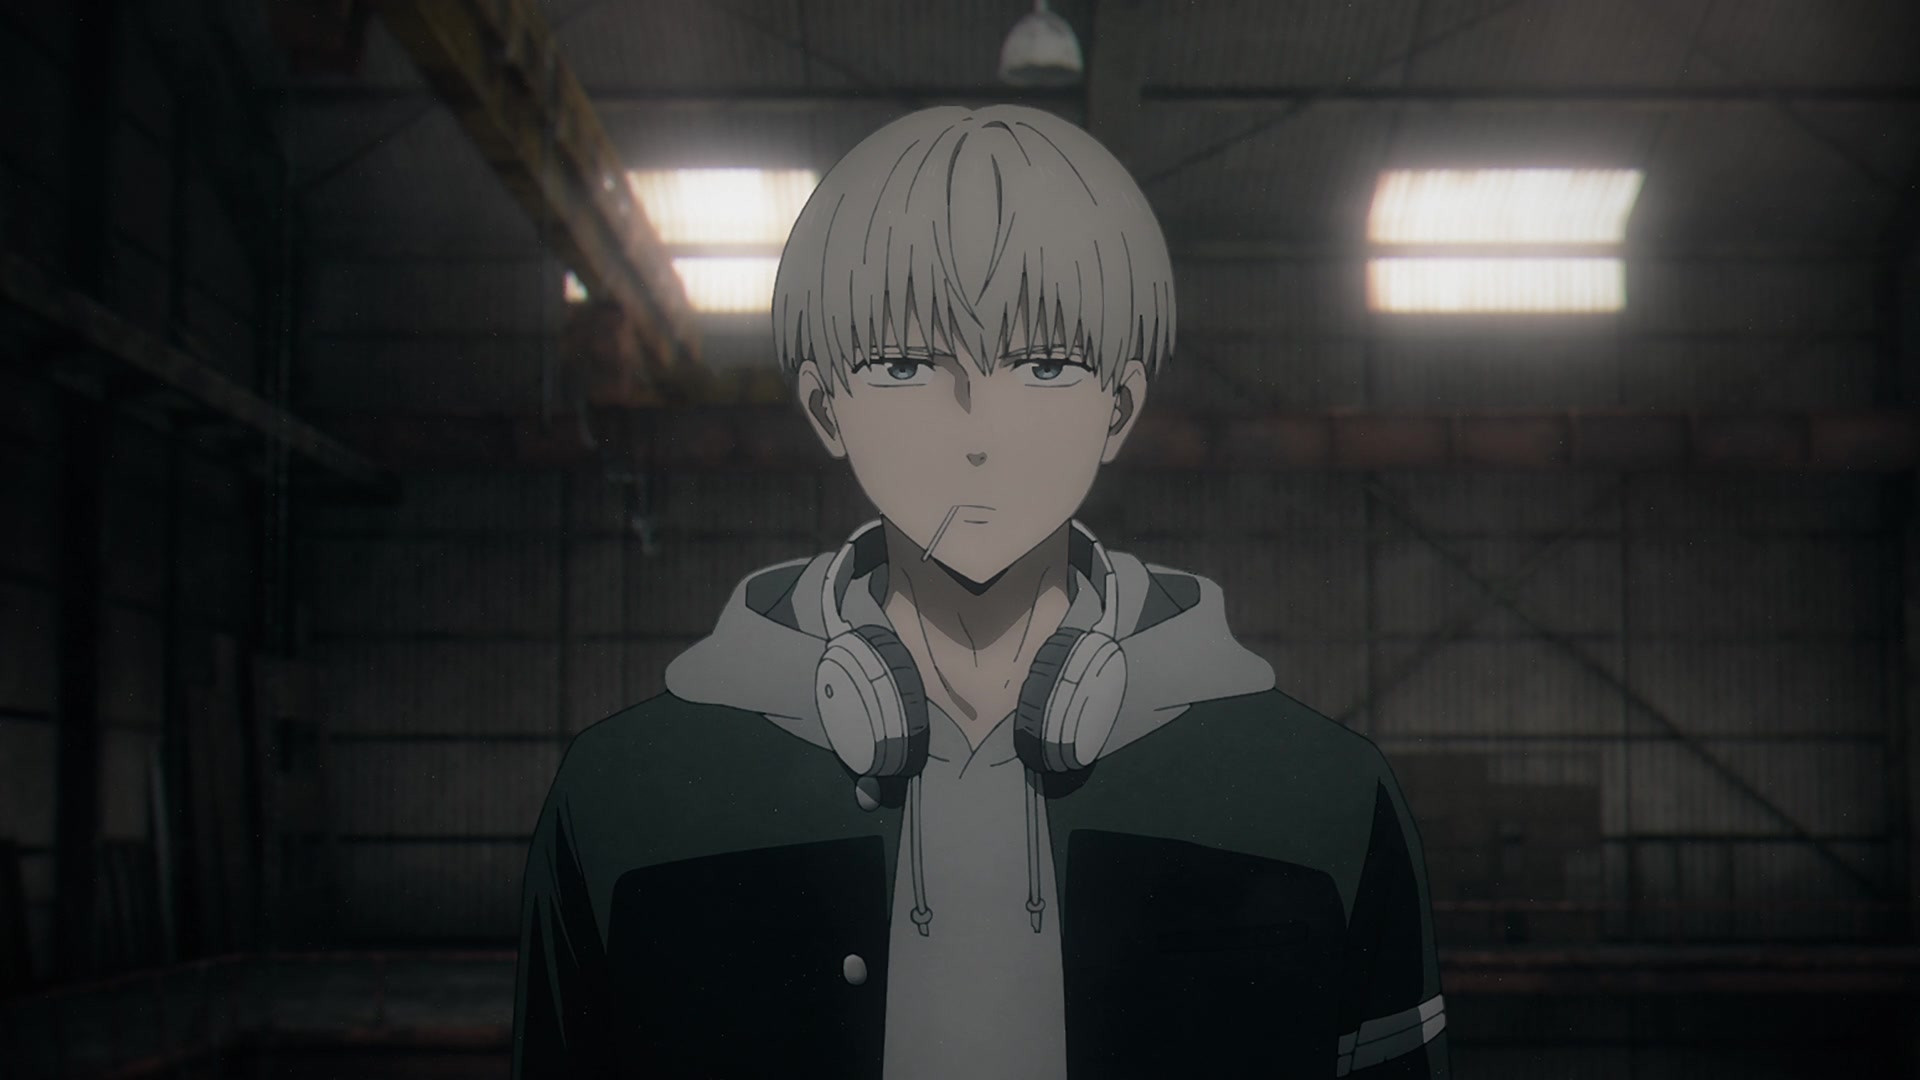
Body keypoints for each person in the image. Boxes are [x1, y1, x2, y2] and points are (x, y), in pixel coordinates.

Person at [511, 104, 1448, 1079]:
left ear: (1119, 408)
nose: (978, 434)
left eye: (1044, 365)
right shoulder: (622, 802)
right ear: (827, 408)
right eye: (905, 365)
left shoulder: (1325, 800)